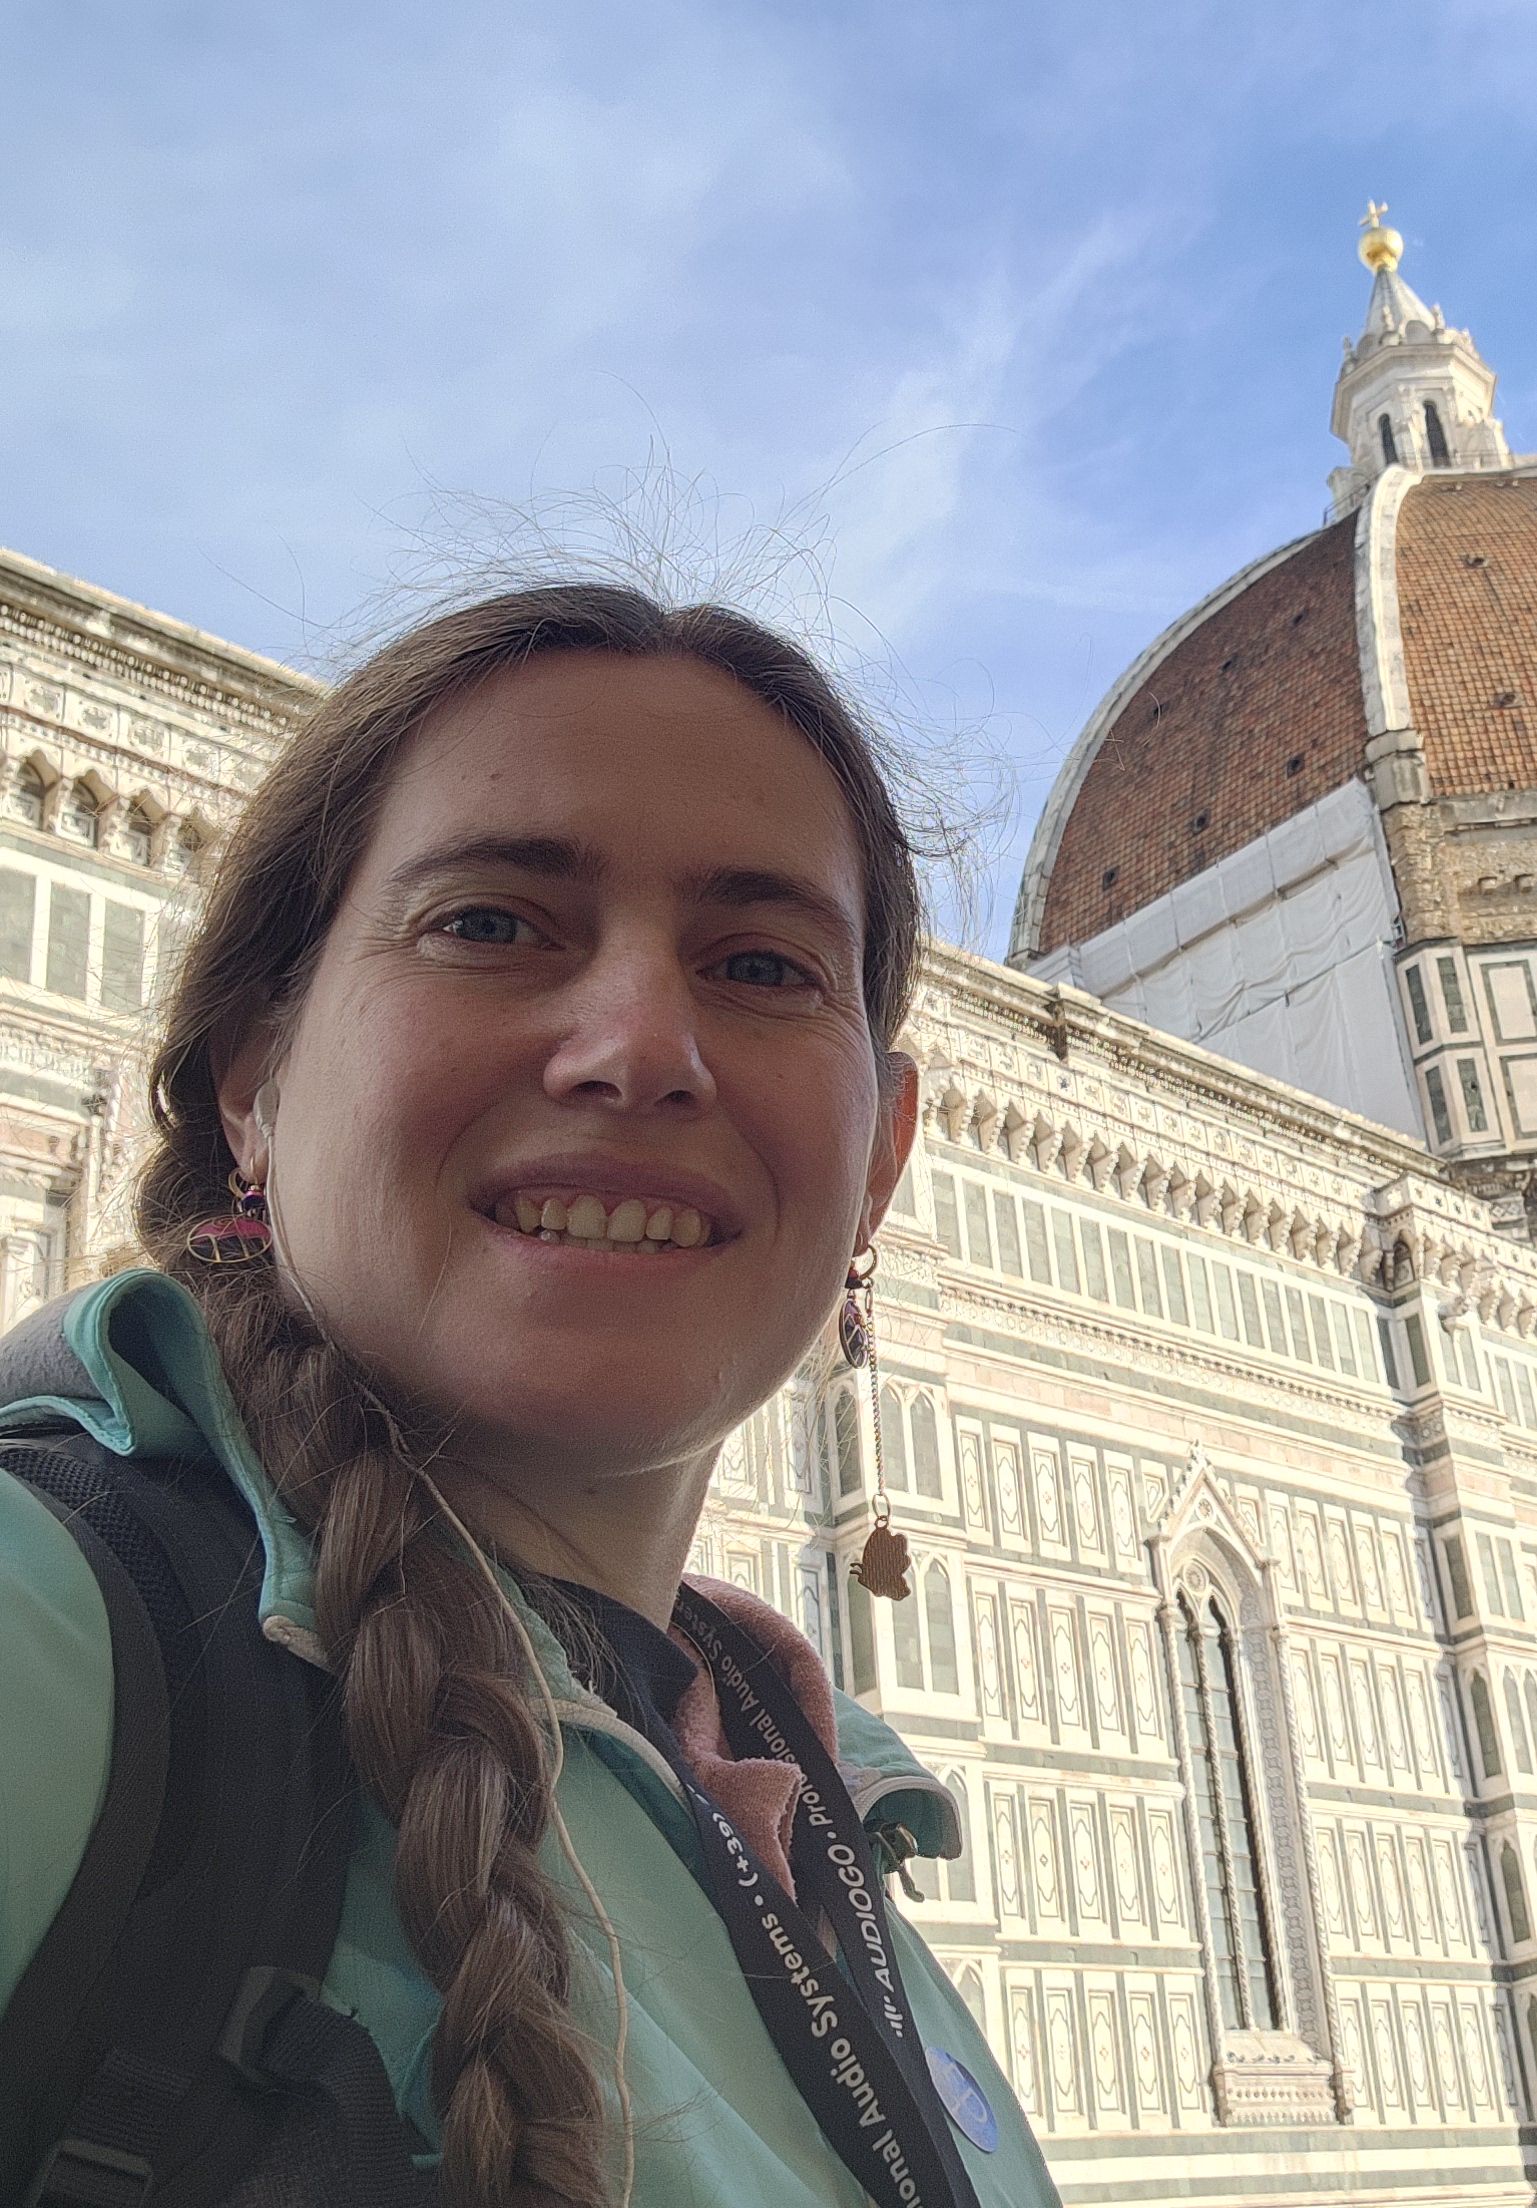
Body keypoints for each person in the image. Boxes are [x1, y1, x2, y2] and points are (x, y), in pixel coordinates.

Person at [0, 585, 1059, 2208]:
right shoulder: (64, 1633)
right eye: (490, 924)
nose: (639, 1045)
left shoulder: (818, 1798)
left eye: (763, 963)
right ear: (251, 1080)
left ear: (883, 1162)